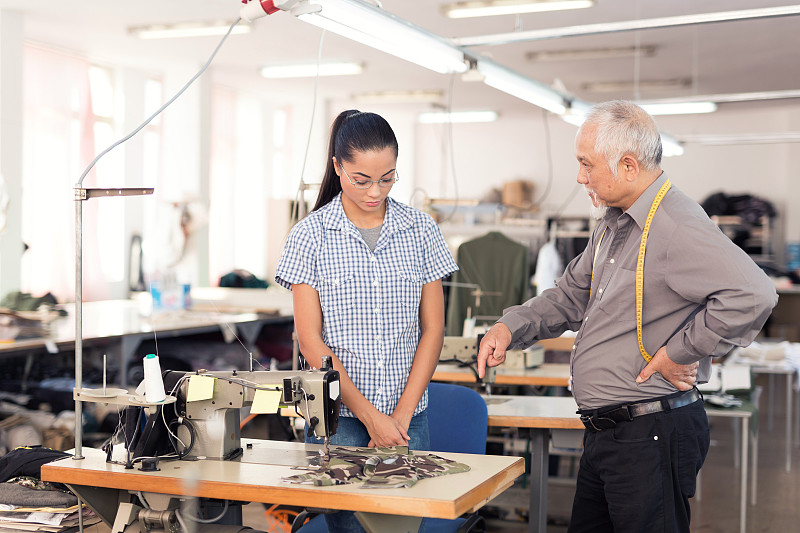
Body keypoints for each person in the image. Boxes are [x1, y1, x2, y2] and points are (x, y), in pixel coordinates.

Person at [477, 100, 777, 533]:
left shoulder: (675, 224)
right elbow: (570, 296)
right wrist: (510, 327)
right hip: (609, 434)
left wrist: (681, 351)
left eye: (587, 164)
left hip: (650, 433)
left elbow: (753, 294)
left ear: (629, 166)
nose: (580, 176)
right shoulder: (612, 225)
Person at [275, 110, 457, 531]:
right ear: (338, 167)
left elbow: (433, 330)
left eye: (388, 178)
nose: (376, 191)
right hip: (340, 422)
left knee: (405, 525)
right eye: (362, 179)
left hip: (410, 418)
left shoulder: (421, 230)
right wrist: (373, 418)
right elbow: (310, 340)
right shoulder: (310, 236)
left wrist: (401, 416)